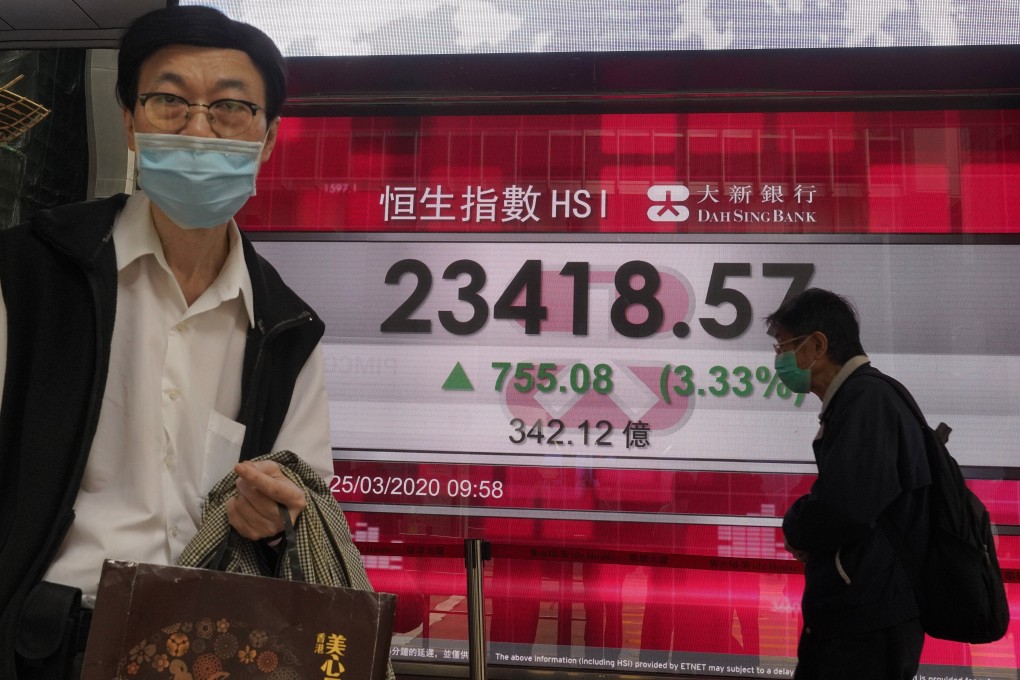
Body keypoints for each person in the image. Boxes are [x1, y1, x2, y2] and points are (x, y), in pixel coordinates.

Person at [0, 6, 361, 678]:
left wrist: (272, 516)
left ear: (268, 136)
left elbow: (303, 501)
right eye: (169, 101)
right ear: (131, 122)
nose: (199, 128)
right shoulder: (28, 277)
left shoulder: (286, 326)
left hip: (209, 647)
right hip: (43, 643)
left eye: (230, 108)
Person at [765, 288, 930, 680]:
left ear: (817, 345)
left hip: (866, 622)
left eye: (783, 347)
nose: (778, 361)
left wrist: (796, 527)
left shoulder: (864, 401)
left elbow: (846, 507)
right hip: (867, 612)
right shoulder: (866, 396)